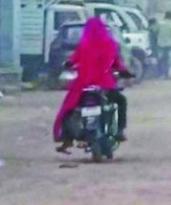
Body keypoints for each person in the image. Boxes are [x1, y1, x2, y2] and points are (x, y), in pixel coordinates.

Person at [53, 17, 131, 152]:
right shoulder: (109, 43)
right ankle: (119, 130)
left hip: (83, 86)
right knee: (121, 101)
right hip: (104, 86)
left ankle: (67, 139)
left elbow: (72, 60)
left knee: (69, 109)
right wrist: (124, 72)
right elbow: (116, 62)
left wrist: (69, 64)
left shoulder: (84, 44)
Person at [157, 12, 171, 79]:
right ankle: (165, 74)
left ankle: (161, 74)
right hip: (170, 45)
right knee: (168, 60)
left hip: (160, 44)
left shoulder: (159, 24)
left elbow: (155, 33)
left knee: (161, 60)